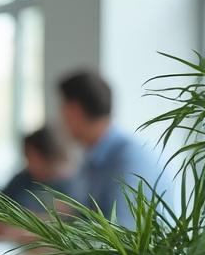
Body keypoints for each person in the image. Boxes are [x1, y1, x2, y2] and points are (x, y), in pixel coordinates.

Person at [59, 70, 167, 228]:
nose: (60, 118)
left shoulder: (129, 158)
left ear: (74, 111)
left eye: (62, 109)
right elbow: (85, 216)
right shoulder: (94, 157)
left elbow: (122, 233)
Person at [0, 126, 73, 237]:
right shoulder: (22, 180)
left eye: (33, 157)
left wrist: (24, 223)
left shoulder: (68, 184)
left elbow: (68, 224)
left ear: (49, 156)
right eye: (27, 156)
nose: (29, 163)